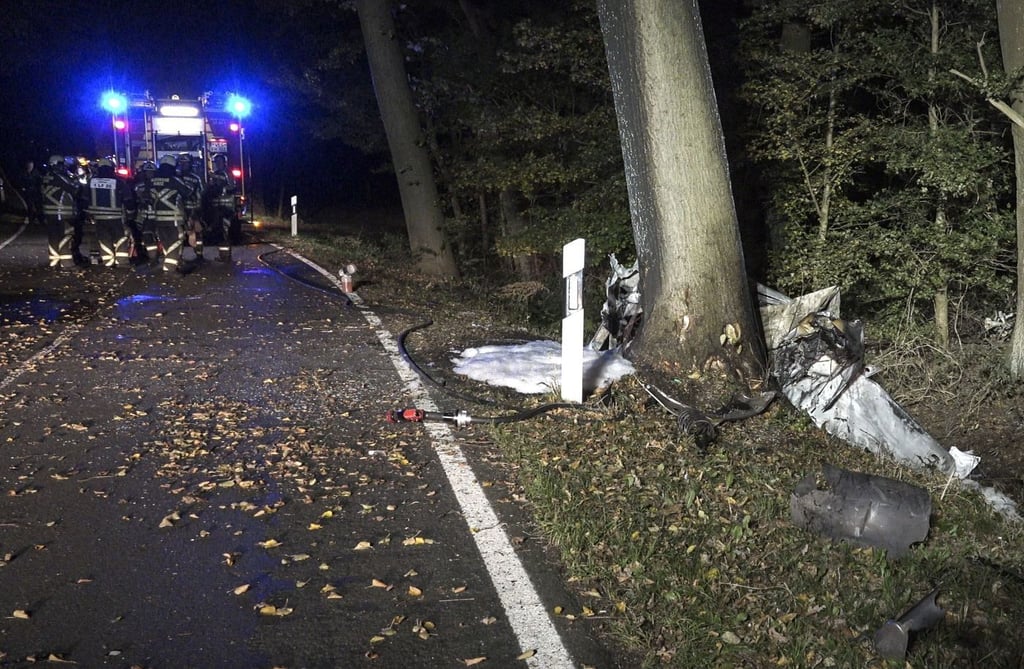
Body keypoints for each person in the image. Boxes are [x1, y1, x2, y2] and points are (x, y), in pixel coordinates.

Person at [86, 158, 133, 267]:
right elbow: (128, 200)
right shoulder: (119, 182)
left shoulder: (91, 182)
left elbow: (84, 198)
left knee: (104, 239)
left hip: (98, 217)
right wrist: (130, 215)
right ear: (112, 168)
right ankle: (122, 262)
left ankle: (108, 262)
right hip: (116, 217)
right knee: (120, 238)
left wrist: (87, 214)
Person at [40, 154, 85, 267]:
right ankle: (67, 263)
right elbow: (75, 188)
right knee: (66, 237)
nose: (63, 167)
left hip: (50, 213)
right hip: (62, 213)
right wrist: (79, 178)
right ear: (57, 165)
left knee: (53, 237)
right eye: (61, 165)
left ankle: (54, 262)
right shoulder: (59, 177)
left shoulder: (46, 176)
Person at [149, 155, 192, 272]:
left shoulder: (151, 181)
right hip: (174, 218)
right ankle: (170, 269)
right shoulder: (175, 180)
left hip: (158, 218)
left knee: (166, 242)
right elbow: (188, 191)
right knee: (177, 241)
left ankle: (173, 264)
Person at [204, 153, 236, 261]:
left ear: (224, 163)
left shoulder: (228, 174)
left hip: (227, 208)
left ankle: (226, 256)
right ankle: (223, 255)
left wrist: (220, 189)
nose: (218, 164)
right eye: (216, 162)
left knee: (225, 232)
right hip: (217, 207)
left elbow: (232, 187)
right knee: (220, 233)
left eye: (220, 162)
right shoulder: (215, 174)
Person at [177, 153, 206, 259]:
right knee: (179, 234)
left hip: (193, 210)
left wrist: (198, 211)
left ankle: (199, 254)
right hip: (179, 210)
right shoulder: (176, 177)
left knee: (197, 233)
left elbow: (201, 194)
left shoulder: (196, 178)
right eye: (181, 163)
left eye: (185, 163)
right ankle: (178, 257)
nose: (183, 165)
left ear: (190, 164)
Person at [18, 160, 44, 225]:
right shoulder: (24, 173)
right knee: (30, 206)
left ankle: (41, 220)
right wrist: (23, 187)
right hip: (28, 192)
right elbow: (21, 181)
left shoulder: (36, 173)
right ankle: (31, 220)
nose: (30, 166)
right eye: (29, 165)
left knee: (38, 206)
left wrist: (40, 188)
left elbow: (40, 181)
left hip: (36, 192)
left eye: (31, 165)